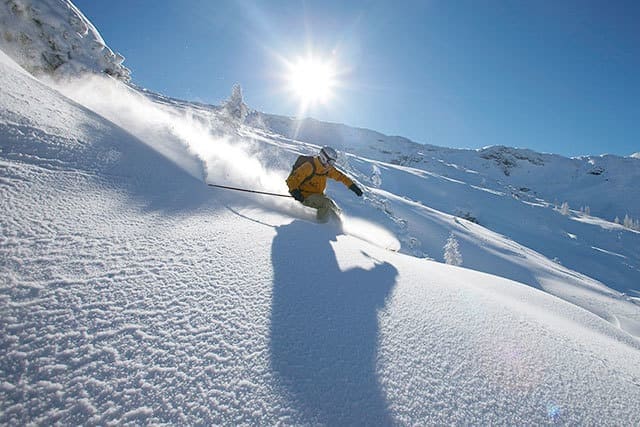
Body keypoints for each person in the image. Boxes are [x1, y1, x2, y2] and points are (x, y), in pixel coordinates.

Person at [286, 146, 363, 223]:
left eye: (333, 163)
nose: (331, 165)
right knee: (325, 203)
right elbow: (291, 180)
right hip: (304, 195)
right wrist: (294, 192)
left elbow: (341, 177)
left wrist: (353, 186)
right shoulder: (309, 166)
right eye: (330, 162)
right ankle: (322, 226)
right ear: (324, 158)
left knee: (335, 208)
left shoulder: (326, 169)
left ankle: (337, 225)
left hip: (318, 195)